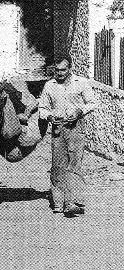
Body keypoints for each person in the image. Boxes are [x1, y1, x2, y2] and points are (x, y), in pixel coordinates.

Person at [37, 56, 97, 217]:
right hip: (58, 129)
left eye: (63, 70)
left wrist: (80, 112)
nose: (59, 73)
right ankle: (58, 202)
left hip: (76, 127)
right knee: (58, 165)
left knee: (74, 163)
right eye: (56, 70)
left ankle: (72, 202)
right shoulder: (50, 86)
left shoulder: (81, 83)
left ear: (70, 68)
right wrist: (49, 116)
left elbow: (92, 103)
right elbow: (42, 108)